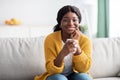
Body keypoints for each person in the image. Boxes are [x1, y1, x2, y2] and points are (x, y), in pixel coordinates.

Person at [34, 5, 92, 80]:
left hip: (75, 74)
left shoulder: (85, 40)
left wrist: (77, 48)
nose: (71, 23)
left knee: (84, 78)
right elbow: (51, 70)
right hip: (55, 75)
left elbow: (84, 69)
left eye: (74, 20)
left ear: (78, 22)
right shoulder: (50, 39)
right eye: (65, 20)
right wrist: (63, 52)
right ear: (60, 23)